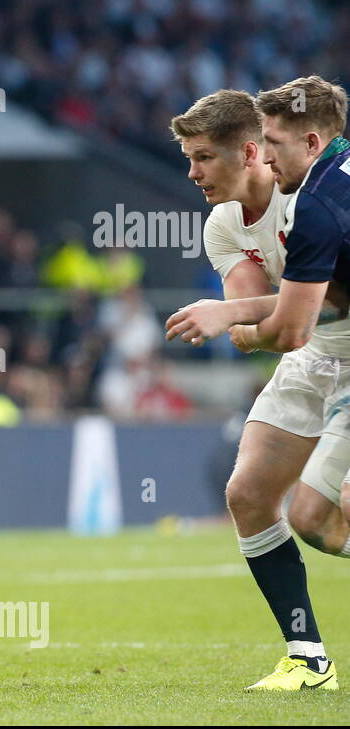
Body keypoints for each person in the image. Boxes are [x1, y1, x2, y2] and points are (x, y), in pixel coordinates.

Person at [167, 76, 350, 691]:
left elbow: (298, 317)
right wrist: (243, 318)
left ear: (250, 152)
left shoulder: (311, 201)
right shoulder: (222, 226)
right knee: (247, 495)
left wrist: (239, 317)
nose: (192, 173)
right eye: (188, 158)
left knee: (319, 518)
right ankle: (307, 658)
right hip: (309, 360)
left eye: (203, 157)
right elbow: (256, 327)